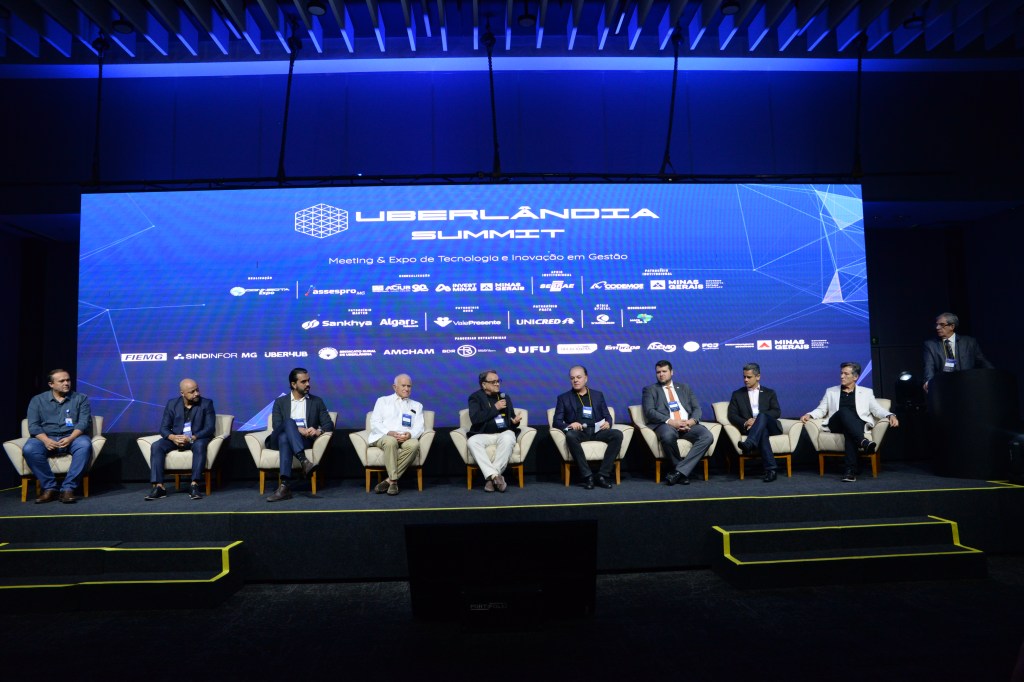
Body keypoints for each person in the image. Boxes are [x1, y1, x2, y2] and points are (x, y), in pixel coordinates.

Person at [801, 362, 899, 483]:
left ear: (855, 377)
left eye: (846, 374)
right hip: (836, 423)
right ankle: (863, 441)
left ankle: (850, 471)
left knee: (850, 432)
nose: (842, 376)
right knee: (844, 411)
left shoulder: (866, 392)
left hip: (855, 425)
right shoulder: (831, 391)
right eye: (841, 373)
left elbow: (876, 409)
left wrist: (890, 415)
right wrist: (810, 414)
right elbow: (821, 410)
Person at [23, 368, 92, 504]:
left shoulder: (81, 398)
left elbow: (84, 422)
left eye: (68, 380)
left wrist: (71, 438)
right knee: (29, 449)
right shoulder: (37, 400)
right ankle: (50, 488)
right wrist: (46, 440)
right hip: (46, 437)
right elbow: (34, 425)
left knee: (85, 445)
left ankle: (68, 489)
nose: (66, 383)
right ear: (51, 384)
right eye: (62, 381)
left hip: (73, 437)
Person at [641, 360, 714, 486]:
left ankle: (678, 472)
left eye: (664, 371)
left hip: (687, 424)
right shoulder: (650, 390)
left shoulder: (685, 388)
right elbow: (649, 412)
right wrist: (672, 422)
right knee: (668, 436)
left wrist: (691, 422)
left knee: (707, 436)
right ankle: (681, 471)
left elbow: (697, 408)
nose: (661, 374)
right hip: (666, 424)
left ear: (672, 372)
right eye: (658, 372)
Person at [265, 368, 333, 502]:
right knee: (288, 423)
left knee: (285, 438)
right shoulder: (280, 402)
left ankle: (284, 487)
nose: (308, 384)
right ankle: (304, 461)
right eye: (303, 382)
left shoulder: (316, 401)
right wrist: (297, 429)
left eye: (308, 381)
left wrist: (318, 431)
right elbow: (277, 426)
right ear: (293, 384)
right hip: (275, 441)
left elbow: (329, 424)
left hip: (302, 441)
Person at [145, 378, 216, 501]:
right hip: (176, 438)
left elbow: (210, 428)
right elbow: (164, 428)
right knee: (156, 446)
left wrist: (192, 437)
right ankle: (159, 487)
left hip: (196, 438)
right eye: (192, 392)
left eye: (197, 390)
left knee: (200, 445)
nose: (197, 393)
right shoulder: (172, 404)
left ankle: (194, 485)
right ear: (182, 393)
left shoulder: (206, 403)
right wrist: (173, 437)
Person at [552, 365, 623, 489]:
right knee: (570, 435)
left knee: (617, 434)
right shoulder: (563, 398)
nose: (575, 380)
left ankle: (602, 475)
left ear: (586, 378)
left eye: (578, 377)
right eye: (572, 378)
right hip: (580, 432)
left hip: (597, 431)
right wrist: (570, 425)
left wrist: (608, 422)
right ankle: (587, 476)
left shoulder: (597, 395)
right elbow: (556, 422)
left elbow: (607, 416)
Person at [367, 374, 424, 496]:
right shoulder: (383, 401)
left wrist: (410, 434)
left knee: (414, 444)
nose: (406, 389)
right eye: (403, 386)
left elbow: (419, 427)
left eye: (409, 386)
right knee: (391, 441)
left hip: (405, 437)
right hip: (384, 435)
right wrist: (389, 432)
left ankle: (389, 480)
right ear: (394, 387)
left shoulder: (417, 406)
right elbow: (375, 422)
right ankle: (393, 482)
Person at [727, 363, 782, 483]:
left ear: (758, 377)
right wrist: (746, 422)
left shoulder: (769, 392)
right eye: (744, 377)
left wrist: (757, 420)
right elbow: (732, 415)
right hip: (752, 428)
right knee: (762, 432)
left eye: (749, 377)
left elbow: (776, 411)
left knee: (762, 416)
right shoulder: (737, 394)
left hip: (771, 426)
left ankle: (749, 443)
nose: (745, 380)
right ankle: (771, 470)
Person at [467, 370, 521, 492]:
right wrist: (495, 408)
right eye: (493, 382)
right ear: (484, 384)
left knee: (509, 436)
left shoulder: (505, 397)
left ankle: (492, 478)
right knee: (472, 441)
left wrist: (515, 422)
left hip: (503, 433)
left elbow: (511, 418)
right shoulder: (475, 398)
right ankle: (496, 477)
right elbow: (475, 419)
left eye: (498, 381)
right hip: (484, 434)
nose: (497, 384)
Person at [922, 312, 993, 392]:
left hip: (968, 385)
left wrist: (993, 374)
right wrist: (929, 382)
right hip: (944, 387)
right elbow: (929, 367)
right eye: (937, 324)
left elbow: (982, 361)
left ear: (952, 326)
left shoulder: (969, 342)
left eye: (942, 325)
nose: (937, 327)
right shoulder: (930, 345)